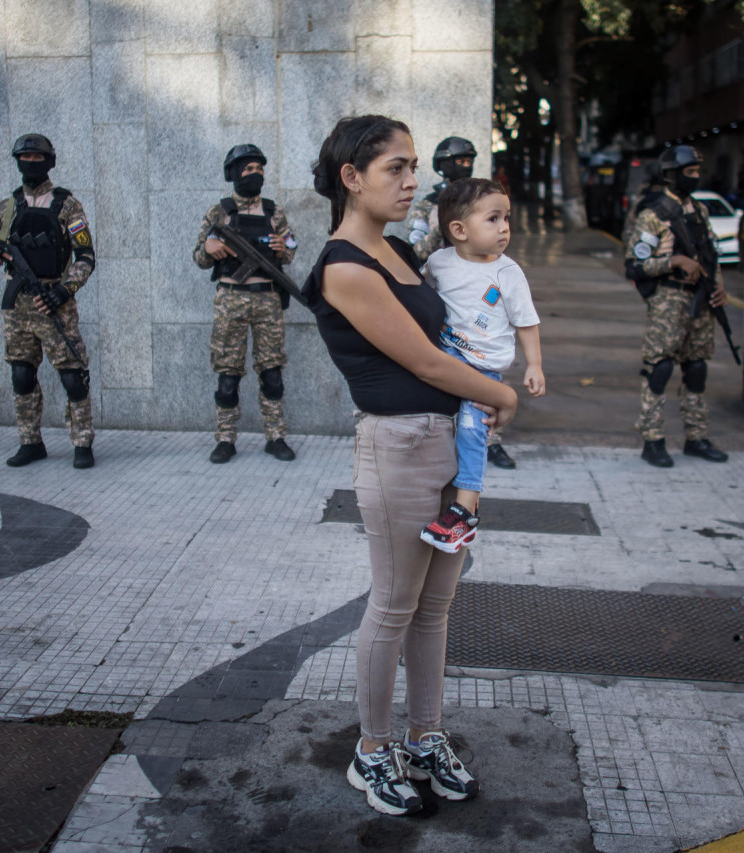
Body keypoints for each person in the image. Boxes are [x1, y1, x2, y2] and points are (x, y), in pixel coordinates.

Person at [303, 114, 517, 816]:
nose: (412, 179)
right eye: (396, 167)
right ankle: (372, 748)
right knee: (394, 605)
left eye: (413, 165)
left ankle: (425, 736)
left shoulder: (400, 250)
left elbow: (456, 328)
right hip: (396, 447)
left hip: (450, 442)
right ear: (351, 177)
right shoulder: (344, 265)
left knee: (436, 608)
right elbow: (424, 360)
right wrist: (499, 393)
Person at [418, 178, 544, 553]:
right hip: (444, 358)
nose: (504, 227)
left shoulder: (508, 273)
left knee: (473, 430)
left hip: (481, 369)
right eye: (493, 219)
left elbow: (527, 321)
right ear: (458, 230)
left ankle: (465, 512)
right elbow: (423, 300)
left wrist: (534, 365)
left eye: (506, 218)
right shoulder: (439, 262)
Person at [0, 133, 96, 469]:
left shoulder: (67, 205)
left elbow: (85, 256)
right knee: (21, 374)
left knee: (73, 375)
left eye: (37, 158)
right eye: (24, 158)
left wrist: (65, 289)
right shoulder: (8, 207)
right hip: (19, 304)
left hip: (54, 301)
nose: (30, 164)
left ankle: (82, 441)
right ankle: (30, 441)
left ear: (49, 162)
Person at [409, 135, 518, 470]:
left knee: (486, 365)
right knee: (448, 364)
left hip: (480, 295)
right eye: (458, 160)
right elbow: (417, 251)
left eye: (469, 159)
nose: (464, 165)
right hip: (444, 296)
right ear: (442, 164)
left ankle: (490, 439)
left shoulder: (484, 199)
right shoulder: (426, 205)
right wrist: (441, 214)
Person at [622, 145, 730, 468]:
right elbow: (634, 265)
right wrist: (675, 261)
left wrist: (719, 285)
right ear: (673, 174)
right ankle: (652, 439)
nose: (695, 177)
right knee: (660, 369)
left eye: (698, 172)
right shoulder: (653, 215)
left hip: (700, 299)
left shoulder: (699, 210)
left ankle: (696, 437)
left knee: (696, 368)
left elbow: (711, 253)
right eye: (690, 172)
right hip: (669, 300)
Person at [193, 144, 298, 464]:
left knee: (272, 373)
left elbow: (292, 246)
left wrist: (284, 247)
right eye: (248, 168)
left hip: (267, 298)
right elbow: (199, 257)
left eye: (259, 168)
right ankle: (225, 439)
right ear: (234, 173)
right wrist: (209, 247)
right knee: (228, 376)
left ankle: (276, 436)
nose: (255, 174)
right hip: (230, 299)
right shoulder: (219, 212)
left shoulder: (273, 211)